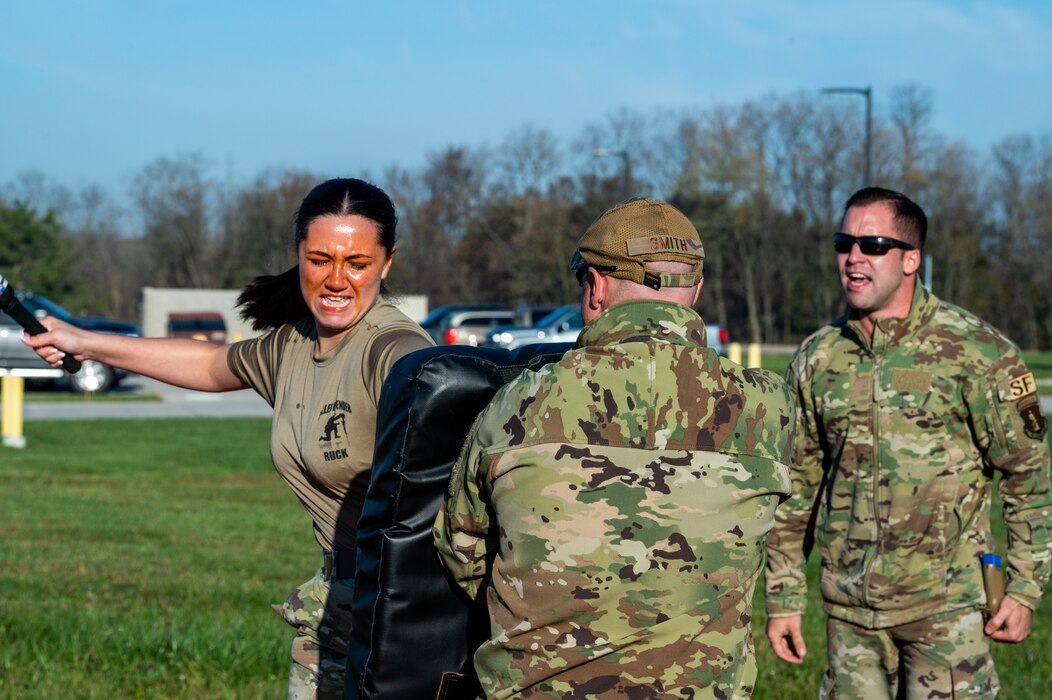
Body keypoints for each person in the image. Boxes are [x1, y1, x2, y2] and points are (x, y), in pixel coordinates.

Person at [24, 178, 434, 699]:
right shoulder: (294, 344)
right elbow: (209, 364)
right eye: (320, 259)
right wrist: (82, 340)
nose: (336, 279)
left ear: (387, 262)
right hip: (341, 597)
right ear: (298, 255)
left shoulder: (395, 354)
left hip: (396, 611)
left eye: (357, 263)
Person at [433, 197, 796, 698]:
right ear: (695, 290)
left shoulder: (522, 402)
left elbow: (463, 549)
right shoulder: (767, 407)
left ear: (597, 286)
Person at [764, 186, 1052, 698]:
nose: (854, 257)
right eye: (843, 242)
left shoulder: (976, 352)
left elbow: (1027, 475)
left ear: (911, 259)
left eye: (872, 244)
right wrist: (784, 598)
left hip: (949, 613)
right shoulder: (817, 359)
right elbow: (796, 488)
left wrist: (1025, 590)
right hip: (851, 619)